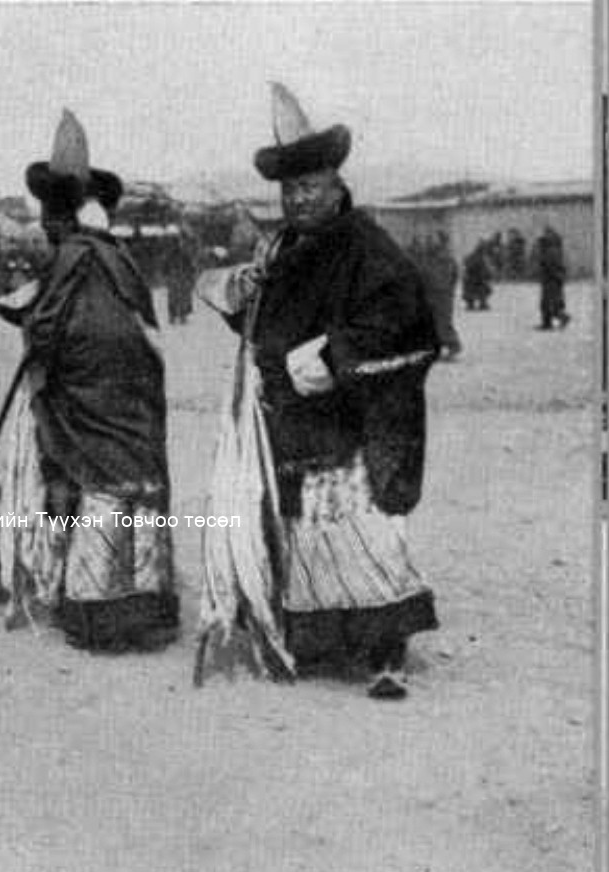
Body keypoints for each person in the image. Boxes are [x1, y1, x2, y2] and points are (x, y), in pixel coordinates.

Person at [194, 83, 439, 699]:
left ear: (336, 186)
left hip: (352, 423)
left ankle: (387, 651)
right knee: (307, 540)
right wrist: (241, 293)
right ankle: (326, 642)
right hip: (292, 422)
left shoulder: (367, 247)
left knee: (364, 534)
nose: (299, 199)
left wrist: (334, 355)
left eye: (310, 187)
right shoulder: (281, 248)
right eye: (289, 189)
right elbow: (264, 316)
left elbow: (406, 320)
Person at [0, 110, 178, 652]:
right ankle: (143, 607)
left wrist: (29, 323)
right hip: (134, 405)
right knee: (133, 491)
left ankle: (98, 611)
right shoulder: (119, 261)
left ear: (62, 219)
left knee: (98, 489)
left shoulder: (71, 259)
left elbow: (50, 332)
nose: (46, 227)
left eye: (51, 216)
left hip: (90, 400)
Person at [420, 232, 462, 359]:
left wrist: (447, 289)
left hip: (442, 294)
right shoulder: (427, 256)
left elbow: (453, 274)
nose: (429, 242)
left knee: (442, 322)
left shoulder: (445, 257)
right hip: (431, 293)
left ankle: (453, 346)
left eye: (433, 240)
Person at [534, 226, 570, 329]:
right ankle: (547, 323)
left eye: (545, 233)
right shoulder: (550, 249)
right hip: (550, 280)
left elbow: (551, 266)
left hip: (551, 280)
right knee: (546, 303)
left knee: (550, 303)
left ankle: (563, 318)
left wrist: (555, 276)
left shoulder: (551, 250)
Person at [462, 240, 492, 311]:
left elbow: (466, 263)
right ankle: (480, 303)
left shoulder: (473, 256)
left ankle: (472, 304)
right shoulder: (480, 258)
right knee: (482, 288)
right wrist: (487, 276)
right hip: (475, 279)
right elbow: (484, 269)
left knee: (474, 289)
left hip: (471, 279)